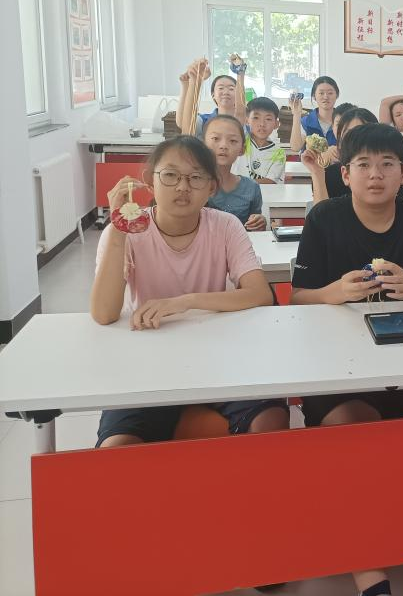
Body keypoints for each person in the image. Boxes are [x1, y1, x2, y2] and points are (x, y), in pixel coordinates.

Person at [289, 123, 403, 596]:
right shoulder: (324, 219)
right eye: (364, 165)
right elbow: (298, 298)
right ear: (345, 174)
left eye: (387, 164)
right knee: (353, 437)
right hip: (342, 369)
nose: (375, 175)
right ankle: (372, 579)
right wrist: (335, 292)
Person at [91, 136, 285, 448]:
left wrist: (186, 302)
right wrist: (117, 230)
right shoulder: (127, 230)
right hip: (147, 362)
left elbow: (259, 293)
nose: (183, 187)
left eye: (195, 178)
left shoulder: (225, 225)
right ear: (150, 181)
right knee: (117, 446)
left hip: (219, 354)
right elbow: (103, 313)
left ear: (212, 188)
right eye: (170, 175)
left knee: (271, 421)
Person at [302, 105, 377, 203]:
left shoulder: (386, 171)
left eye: (362, 132)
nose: (355, 138)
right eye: (349, 133)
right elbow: (321, 212)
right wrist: (317, 172)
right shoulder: (330, 175)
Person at [203, 114, 266, 230]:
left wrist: (259, 221)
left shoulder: (251, 188)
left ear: (242, 149)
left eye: (232, 141)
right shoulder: (195, 185)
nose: (223, 146)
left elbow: (254, 226)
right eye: (215, 139)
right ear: (203, 144)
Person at [177, 57, 247, 139]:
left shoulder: (245, 121)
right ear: (213, 95)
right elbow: (183, 124)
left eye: (231, 89)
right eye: (221, 88)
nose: (226, 92)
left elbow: (240, 111)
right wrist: (188, 84)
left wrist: (240, 72)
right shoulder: (204, 120)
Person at [233, 96, 287, 184]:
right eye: (256, 118)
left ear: (276, 124)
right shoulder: (240, 141)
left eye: (268, 119)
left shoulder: (279, 153)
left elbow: (270, 181)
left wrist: (238, 184)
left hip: (264, 193)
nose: (262, 124)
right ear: (246, 120)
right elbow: (239, 111)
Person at [290, 75, 340, 152]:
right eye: (321, 93)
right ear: (314, 96)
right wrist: (296, 114)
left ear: (336, 95)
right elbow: (295, 147)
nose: (326, 97)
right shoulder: (306, 121)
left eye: (330, 93)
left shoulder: (343, 120)